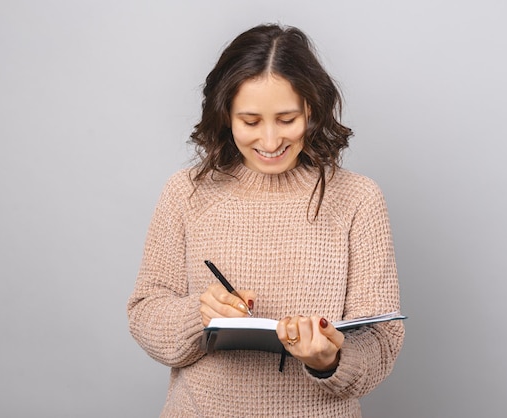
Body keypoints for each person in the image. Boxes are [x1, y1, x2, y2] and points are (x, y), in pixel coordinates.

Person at [127, 23, 404, 417]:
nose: (270, 142)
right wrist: (200, 315)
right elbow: (144, 312)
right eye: (251, 122)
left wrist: (328, 359)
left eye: (287, 119)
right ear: (225, 116)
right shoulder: (185, 193)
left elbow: (383, 338)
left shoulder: (358, 199)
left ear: (312, 110)